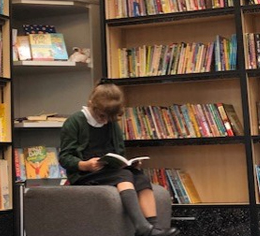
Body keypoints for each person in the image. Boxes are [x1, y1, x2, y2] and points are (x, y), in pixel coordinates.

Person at [59, 83, 179, 236]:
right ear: (92, 105)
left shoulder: (111, 124)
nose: (105, 121)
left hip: (109, 170)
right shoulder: (75, 121)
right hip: (85, 174)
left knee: (140, 177)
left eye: (110, 118)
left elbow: (119, 152)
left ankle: (153, 227)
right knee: (124, 176)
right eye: (102, 116)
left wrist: (128, 163)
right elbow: (64, 157)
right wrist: (84, 165)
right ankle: (142, 227)